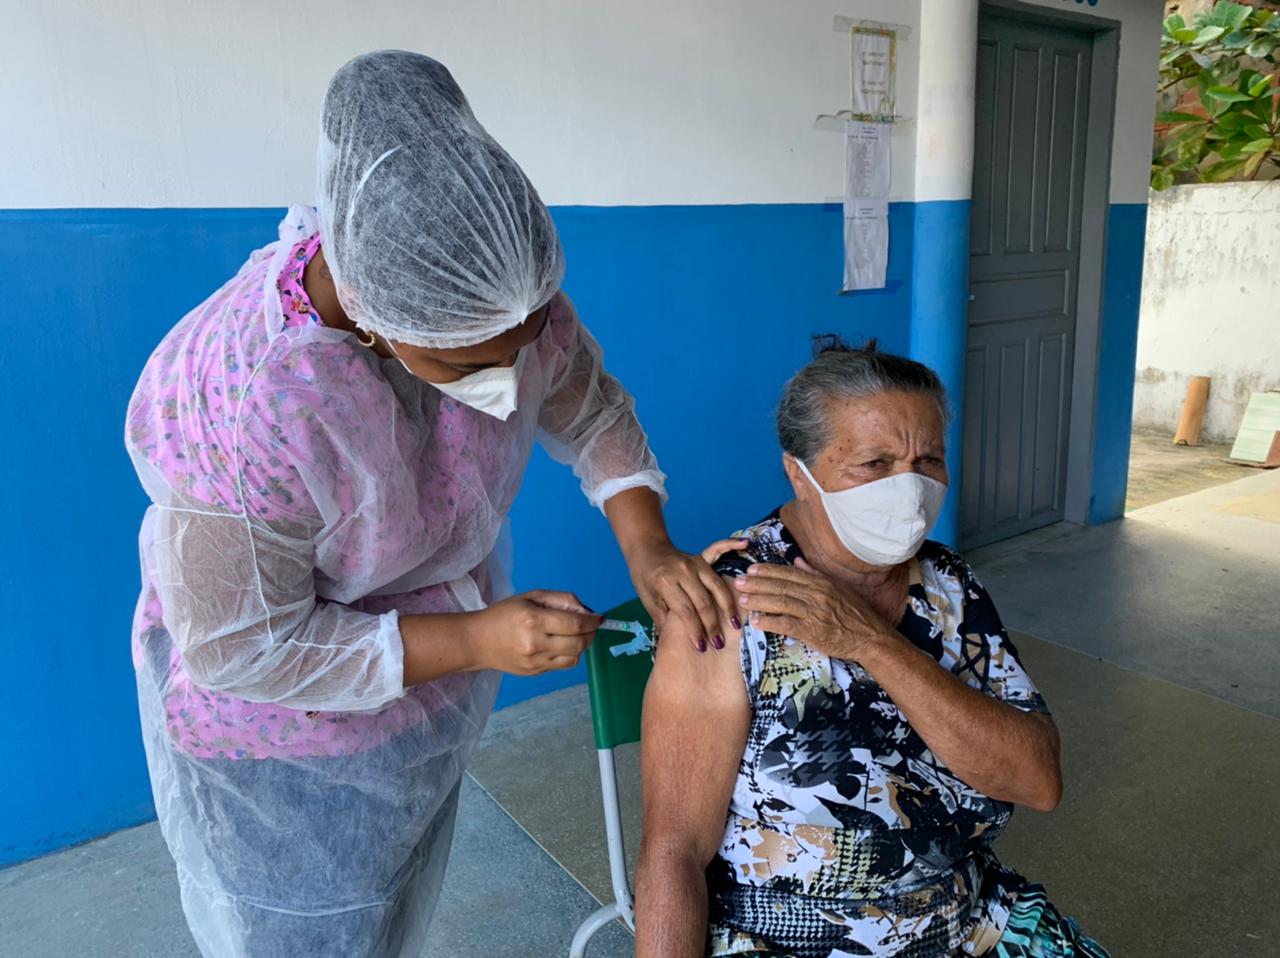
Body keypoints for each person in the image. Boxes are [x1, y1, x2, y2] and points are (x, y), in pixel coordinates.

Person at [125, 50, 738, 957]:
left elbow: (588, 404)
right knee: (311, 935)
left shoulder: (502, 296)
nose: (508, 379)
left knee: (395, 912)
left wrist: (645, 541)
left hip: (422, 705)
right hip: (282, 746)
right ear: (376, 316)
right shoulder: (247, 398)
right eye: (465, 364)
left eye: (522, 344)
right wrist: (478, 638)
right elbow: (245, 645)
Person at [635, 343, 1110, 957]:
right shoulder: (730, 601)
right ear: (799, 474)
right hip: (796, 941)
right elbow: (673, 851)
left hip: (970, 918)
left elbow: (1038, 781)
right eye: (874, 463)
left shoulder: (948, 583)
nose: (907, 488)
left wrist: (871, 642)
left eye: (928, 460)